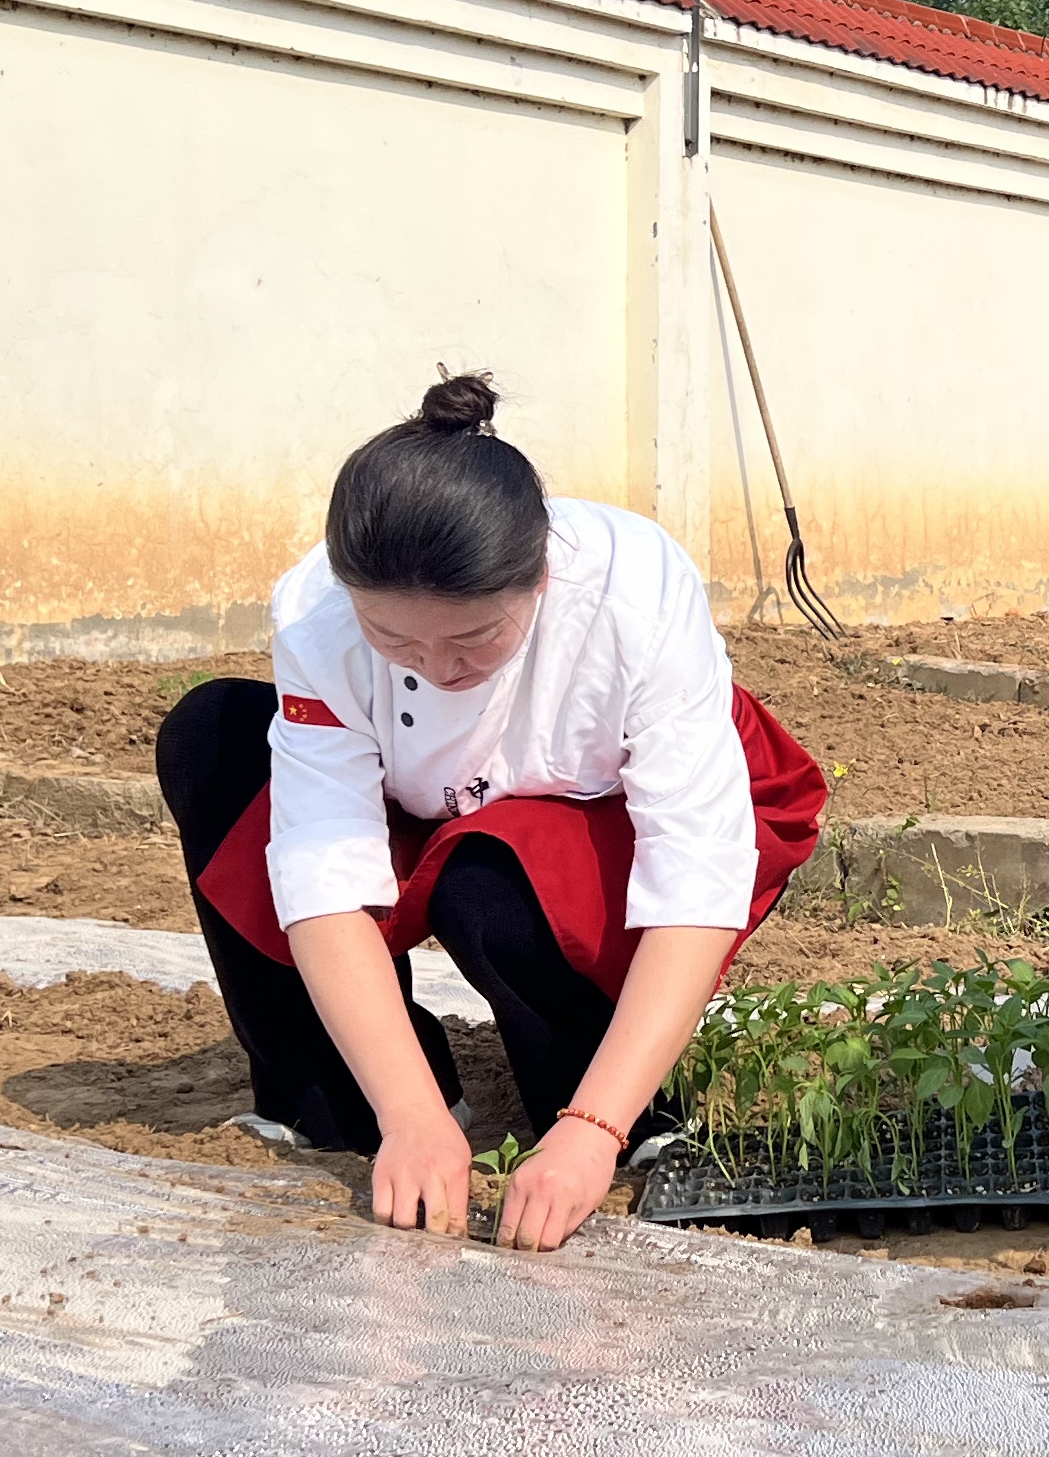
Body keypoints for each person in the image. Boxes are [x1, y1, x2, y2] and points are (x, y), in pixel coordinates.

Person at [157, 374, 826, 1250]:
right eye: (395, 640)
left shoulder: (634, 592)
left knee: (488, 877)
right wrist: (411, 1115)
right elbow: (322, 866)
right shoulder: (319, 615)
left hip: (586, 821)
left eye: (473, 639)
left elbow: (695, 869)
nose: (437, 670)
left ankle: (605, 1093)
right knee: (212, 735)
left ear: (538, 578)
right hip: (428, 801)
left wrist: (593, 1129)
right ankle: (353, 1092)